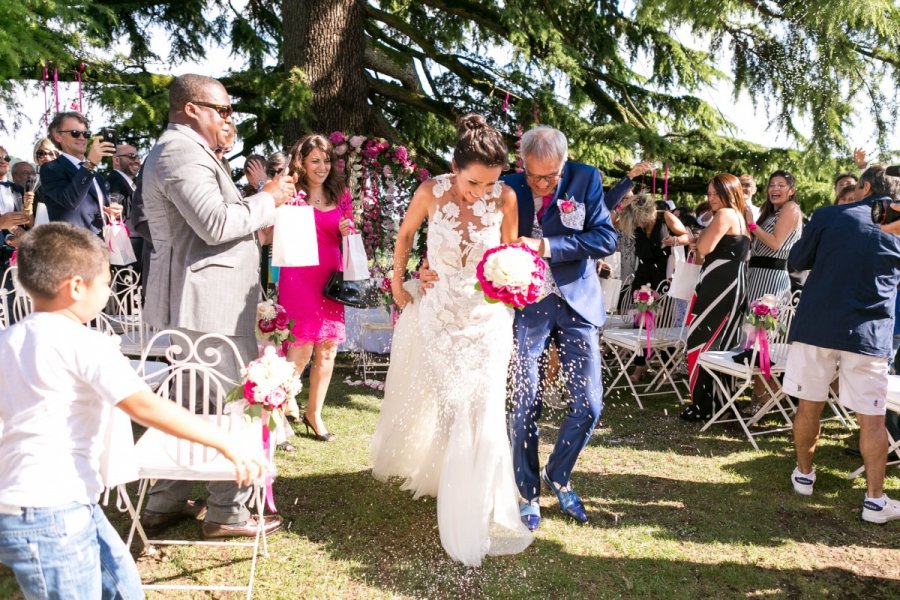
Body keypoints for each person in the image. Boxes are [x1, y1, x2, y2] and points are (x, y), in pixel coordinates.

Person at [0, 223, 269, 599]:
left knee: (123, 587)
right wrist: (224, 441)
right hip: (51, 510)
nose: (110, 291)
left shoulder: (9, 339)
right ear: (76, 286)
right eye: (106, 282)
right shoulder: (84, 342)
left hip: (56, 502)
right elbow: (144, 404)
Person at [371, 114, 532, 566]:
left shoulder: (506, 198)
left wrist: (516, 277)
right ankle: (450, 481)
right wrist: (401, 282)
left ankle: (478, 504)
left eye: (490, 184)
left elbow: (510, 249)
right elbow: (404, 236)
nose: (481, 192)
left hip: (487, 316)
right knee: (453, 404)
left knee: (482, 405)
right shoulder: (430, 191)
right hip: (440, 313)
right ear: (454, 166)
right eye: (474, 183)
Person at [140, 73, 295, 539]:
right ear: (192, 109)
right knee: (223, 401)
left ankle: (166, 500)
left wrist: (259, 221)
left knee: (188, 401)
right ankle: (228, 511)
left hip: (205, 300)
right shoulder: (178, 152)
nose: (230, 119)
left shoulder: (193, 152)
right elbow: (213, 223)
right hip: (203, 303)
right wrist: (266, 198)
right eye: (223, 110)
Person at [504, 126, 618, 529]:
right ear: (522, 164)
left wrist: (547, 246)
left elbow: (605, 237)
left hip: (577, 302)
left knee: (589, 404)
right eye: (533, 175)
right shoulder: (507, 185)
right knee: (524, 399)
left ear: (563, 164)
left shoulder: (585, 179)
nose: (540, 184)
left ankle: (559, 472)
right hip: (526, 305)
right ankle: (528, 490)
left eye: (549, 176)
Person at [784, 165, 900, 523]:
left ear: (864, 186)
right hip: (869, 332)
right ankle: (875, 500)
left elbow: (796, 260)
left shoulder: (830, 215)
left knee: (809, 404)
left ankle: (804, 474)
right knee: (873, 419)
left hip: (819, 324)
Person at [276, 135, 354, 440]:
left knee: (328, 350)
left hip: (330, 280)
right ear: (302, 163)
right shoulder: (291, 193)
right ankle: (278, 409)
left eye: (326, 161)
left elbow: (347, 229)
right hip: (298, 279)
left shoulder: (340, 193)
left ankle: (314, 414)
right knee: (300, 348)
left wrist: (346, 229)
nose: (322, 167)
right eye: (315, 161)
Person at [681, 173, 751, 421]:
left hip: (718, 286)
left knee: (701, 340)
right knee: (723, 343)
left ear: (729, 192)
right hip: (734, 284)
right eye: (709, 193)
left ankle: (702, 404)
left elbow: (704, 249)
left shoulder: (724, 215)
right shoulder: (741, 217)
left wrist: (696, 239)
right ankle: (720, 401)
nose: (711, 198)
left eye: (715, 193)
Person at [615, 193, 691, 381]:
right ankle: (639, 367)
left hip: (663, 273)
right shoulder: (633, 220)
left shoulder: (665, 217)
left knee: (663, 320)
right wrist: (625, 203)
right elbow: (613, 222)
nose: (639, 224)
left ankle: (667, 363)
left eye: (641, 219)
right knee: (640, 319)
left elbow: (687, 237)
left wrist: (672, 241)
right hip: (643, 272)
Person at [40, 111, 122, 234]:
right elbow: (70, 200)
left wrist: (114, 213)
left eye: (86, 134)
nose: (82, 138)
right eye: (75, 133)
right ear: (58, 136)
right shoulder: (51, 169)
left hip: (101, 244)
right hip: (73, 246)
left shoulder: (97, 176)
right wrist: (91, 164)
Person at [746, 170, 803, 302]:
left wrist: (751, 224)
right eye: (771, 185)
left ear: (792, 191)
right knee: (750, 322)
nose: (775, 188)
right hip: (756, 275)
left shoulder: (791, 207)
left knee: (761, 322)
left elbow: (775, 244)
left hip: (771, 279)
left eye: (781, 185)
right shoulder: (770, 213)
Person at [108, 143, 144, 271]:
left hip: (136, 249)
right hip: (125, 250)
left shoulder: (129, 184)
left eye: (138, 157)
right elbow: (116, 215)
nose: (137, 161)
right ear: (116, 160)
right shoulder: (114, 182)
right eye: (131, 156)